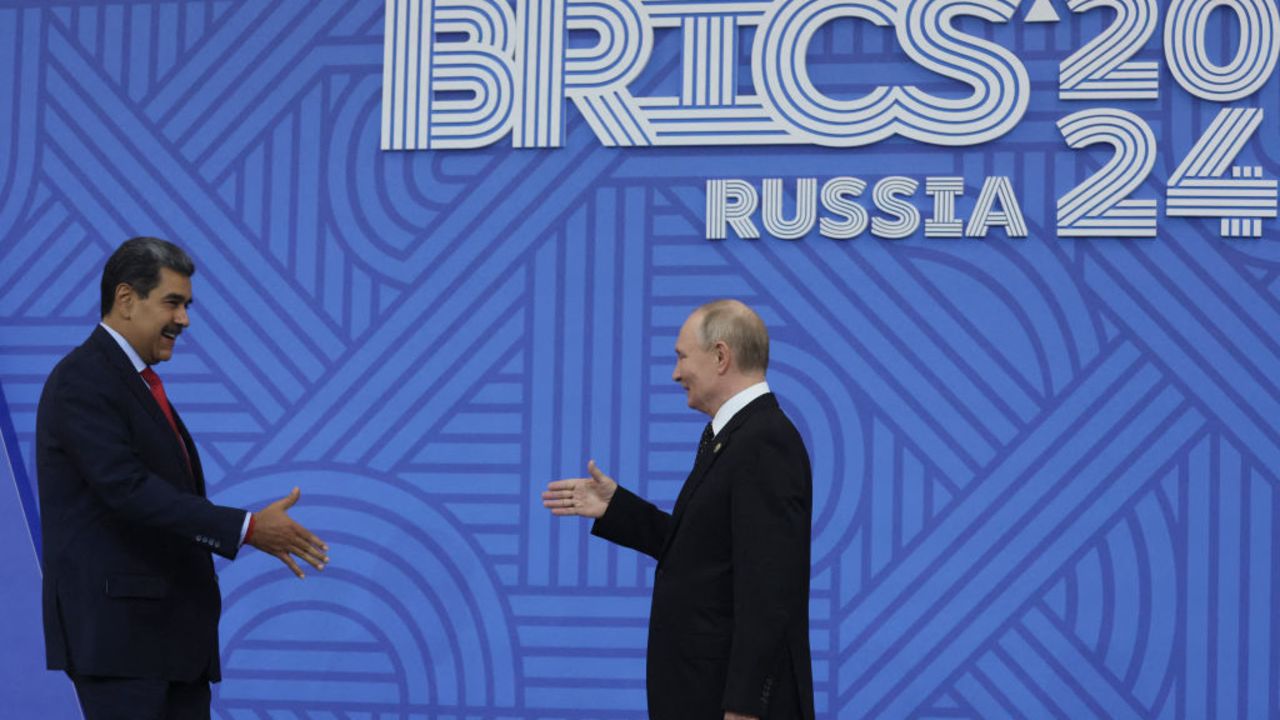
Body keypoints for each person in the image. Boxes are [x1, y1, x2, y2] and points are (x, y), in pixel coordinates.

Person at [36, 237, 331, 720]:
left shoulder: (131, 382)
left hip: (170, 645)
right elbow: (127, 489)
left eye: (187, 305)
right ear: (126, 299)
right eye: (172, 303)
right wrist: (248, 528)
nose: (184, 320)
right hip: (124, 644)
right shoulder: (82, 380)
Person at [542, 299, 814, 720]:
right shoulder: (735, 439)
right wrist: (619, 510)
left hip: (730, 706)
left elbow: (770, 589)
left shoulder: (764, 442)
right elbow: (707, 554)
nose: (676, 373)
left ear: (721, 356)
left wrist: (744, 707)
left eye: (682, 356)